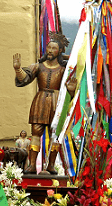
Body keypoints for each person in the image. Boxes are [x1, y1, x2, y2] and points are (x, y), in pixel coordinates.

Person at [13, 32, 76, 174]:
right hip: (40, 101)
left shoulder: (64, 68)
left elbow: (73, 89)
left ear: (59, 51)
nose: (50, 50)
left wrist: (71, 91)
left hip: (57, 102)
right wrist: (18, 69)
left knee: (56, 134)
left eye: (54, 48)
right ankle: (32, 165)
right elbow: (25, 78)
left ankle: (51, 165)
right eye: (48, 47)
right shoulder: (38, 66)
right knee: (36, 132)